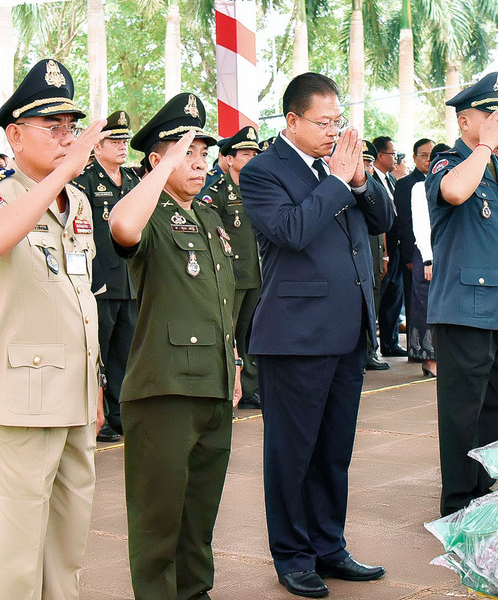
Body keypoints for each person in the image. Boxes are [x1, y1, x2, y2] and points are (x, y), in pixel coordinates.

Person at [240, 72, 391, 598]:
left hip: (347, 331)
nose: (333, 132)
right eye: (324, 123)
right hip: (296, 335)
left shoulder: (340, 168)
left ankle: (330, 545)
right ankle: (293, 554)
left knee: (333, 450)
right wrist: (334, 181)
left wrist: (358, 181)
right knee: (293, 452)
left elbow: (381, 220)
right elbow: (292, 231)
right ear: (293, 121)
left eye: (338, 121)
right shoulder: (263, 171)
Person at [0, 58, 105, 600]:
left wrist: (94, 386)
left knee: (68, 544)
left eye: (71, 128)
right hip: (21, 400)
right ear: (15, 134)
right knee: (22, 549)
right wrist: (63, 177)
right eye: (53, 128)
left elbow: (79, 298)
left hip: (72, 395)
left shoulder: (79, 201)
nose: (67, 139)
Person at [108, 93, 240, 600]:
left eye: (203, 154)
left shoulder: (208, 219)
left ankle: (195, 592)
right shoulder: (150, 213)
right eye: (186, 152)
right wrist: (159, 175)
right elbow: (122, 228)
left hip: (212, 382)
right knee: (158, 516)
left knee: (200, 509)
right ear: (156, 160)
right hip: (164, 386)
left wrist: (231, 365)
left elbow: (220, 304)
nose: (198, 163)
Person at [425, 72, 498, 517]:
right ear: (465, 120)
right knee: (462, 415)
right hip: (466, 312)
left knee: (494, 411)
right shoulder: (450, 162)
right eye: (489, 113)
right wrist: (484, 146)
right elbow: (453, 192)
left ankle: (482, 493)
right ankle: (457, 504)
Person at [72, 110, 140, 443]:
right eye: (114, 140)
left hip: (129, 281)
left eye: (125, 140)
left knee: (125, 353)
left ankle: (118, 413)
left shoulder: (132, 180)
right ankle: (95, 415)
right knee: (98, 352)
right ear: (97, 145)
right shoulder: (84, 181)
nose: (122, 146)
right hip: (99, 281)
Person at [199, 125, 264, 409]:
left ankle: (249, 388)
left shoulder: (258, 189)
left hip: (256, 274)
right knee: (229, 333)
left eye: (254, 154)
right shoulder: (217, 192)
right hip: (232, 276)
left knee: (250, 333)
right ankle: (226, 388)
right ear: (229, 158)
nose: (251, 159)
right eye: (245, 154)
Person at [409, 142, 449, 378]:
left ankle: (442, 356)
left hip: (448, 253)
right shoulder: (419, 187)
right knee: (426, 306)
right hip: (428, 254)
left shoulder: (454, 187)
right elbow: (421, 226)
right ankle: (429, 358)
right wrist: (428, 259)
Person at [392, 137, 432, 362]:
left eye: (431, 155)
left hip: (432, 254)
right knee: (413, 300)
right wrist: (408, 255)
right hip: (414, 252)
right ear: (415, 157)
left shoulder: (440, 180)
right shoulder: (407, 184)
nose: (428, 159)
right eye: (423, 155)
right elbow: (405, 223)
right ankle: (416, 349)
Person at [372, 135, 408, 357]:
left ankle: (390, 342)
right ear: (380, 155)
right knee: (379, 296)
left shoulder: (391, 179)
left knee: (395, 296)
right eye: (392, 154)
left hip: (396, 246)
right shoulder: (371, 180)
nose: (395, 158)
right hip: (382, 247)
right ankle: (372, 347)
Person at [362, 139, 390, 371]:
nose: (366, 168)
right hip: (360, 257)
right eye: (362, 162)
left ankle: (371, 348)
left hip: (374, 253)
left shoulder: (372, 186)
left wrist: (384, 256)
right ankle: (366, 350)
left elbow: (382, 225)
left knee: (374, 299)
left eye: (369, 163)